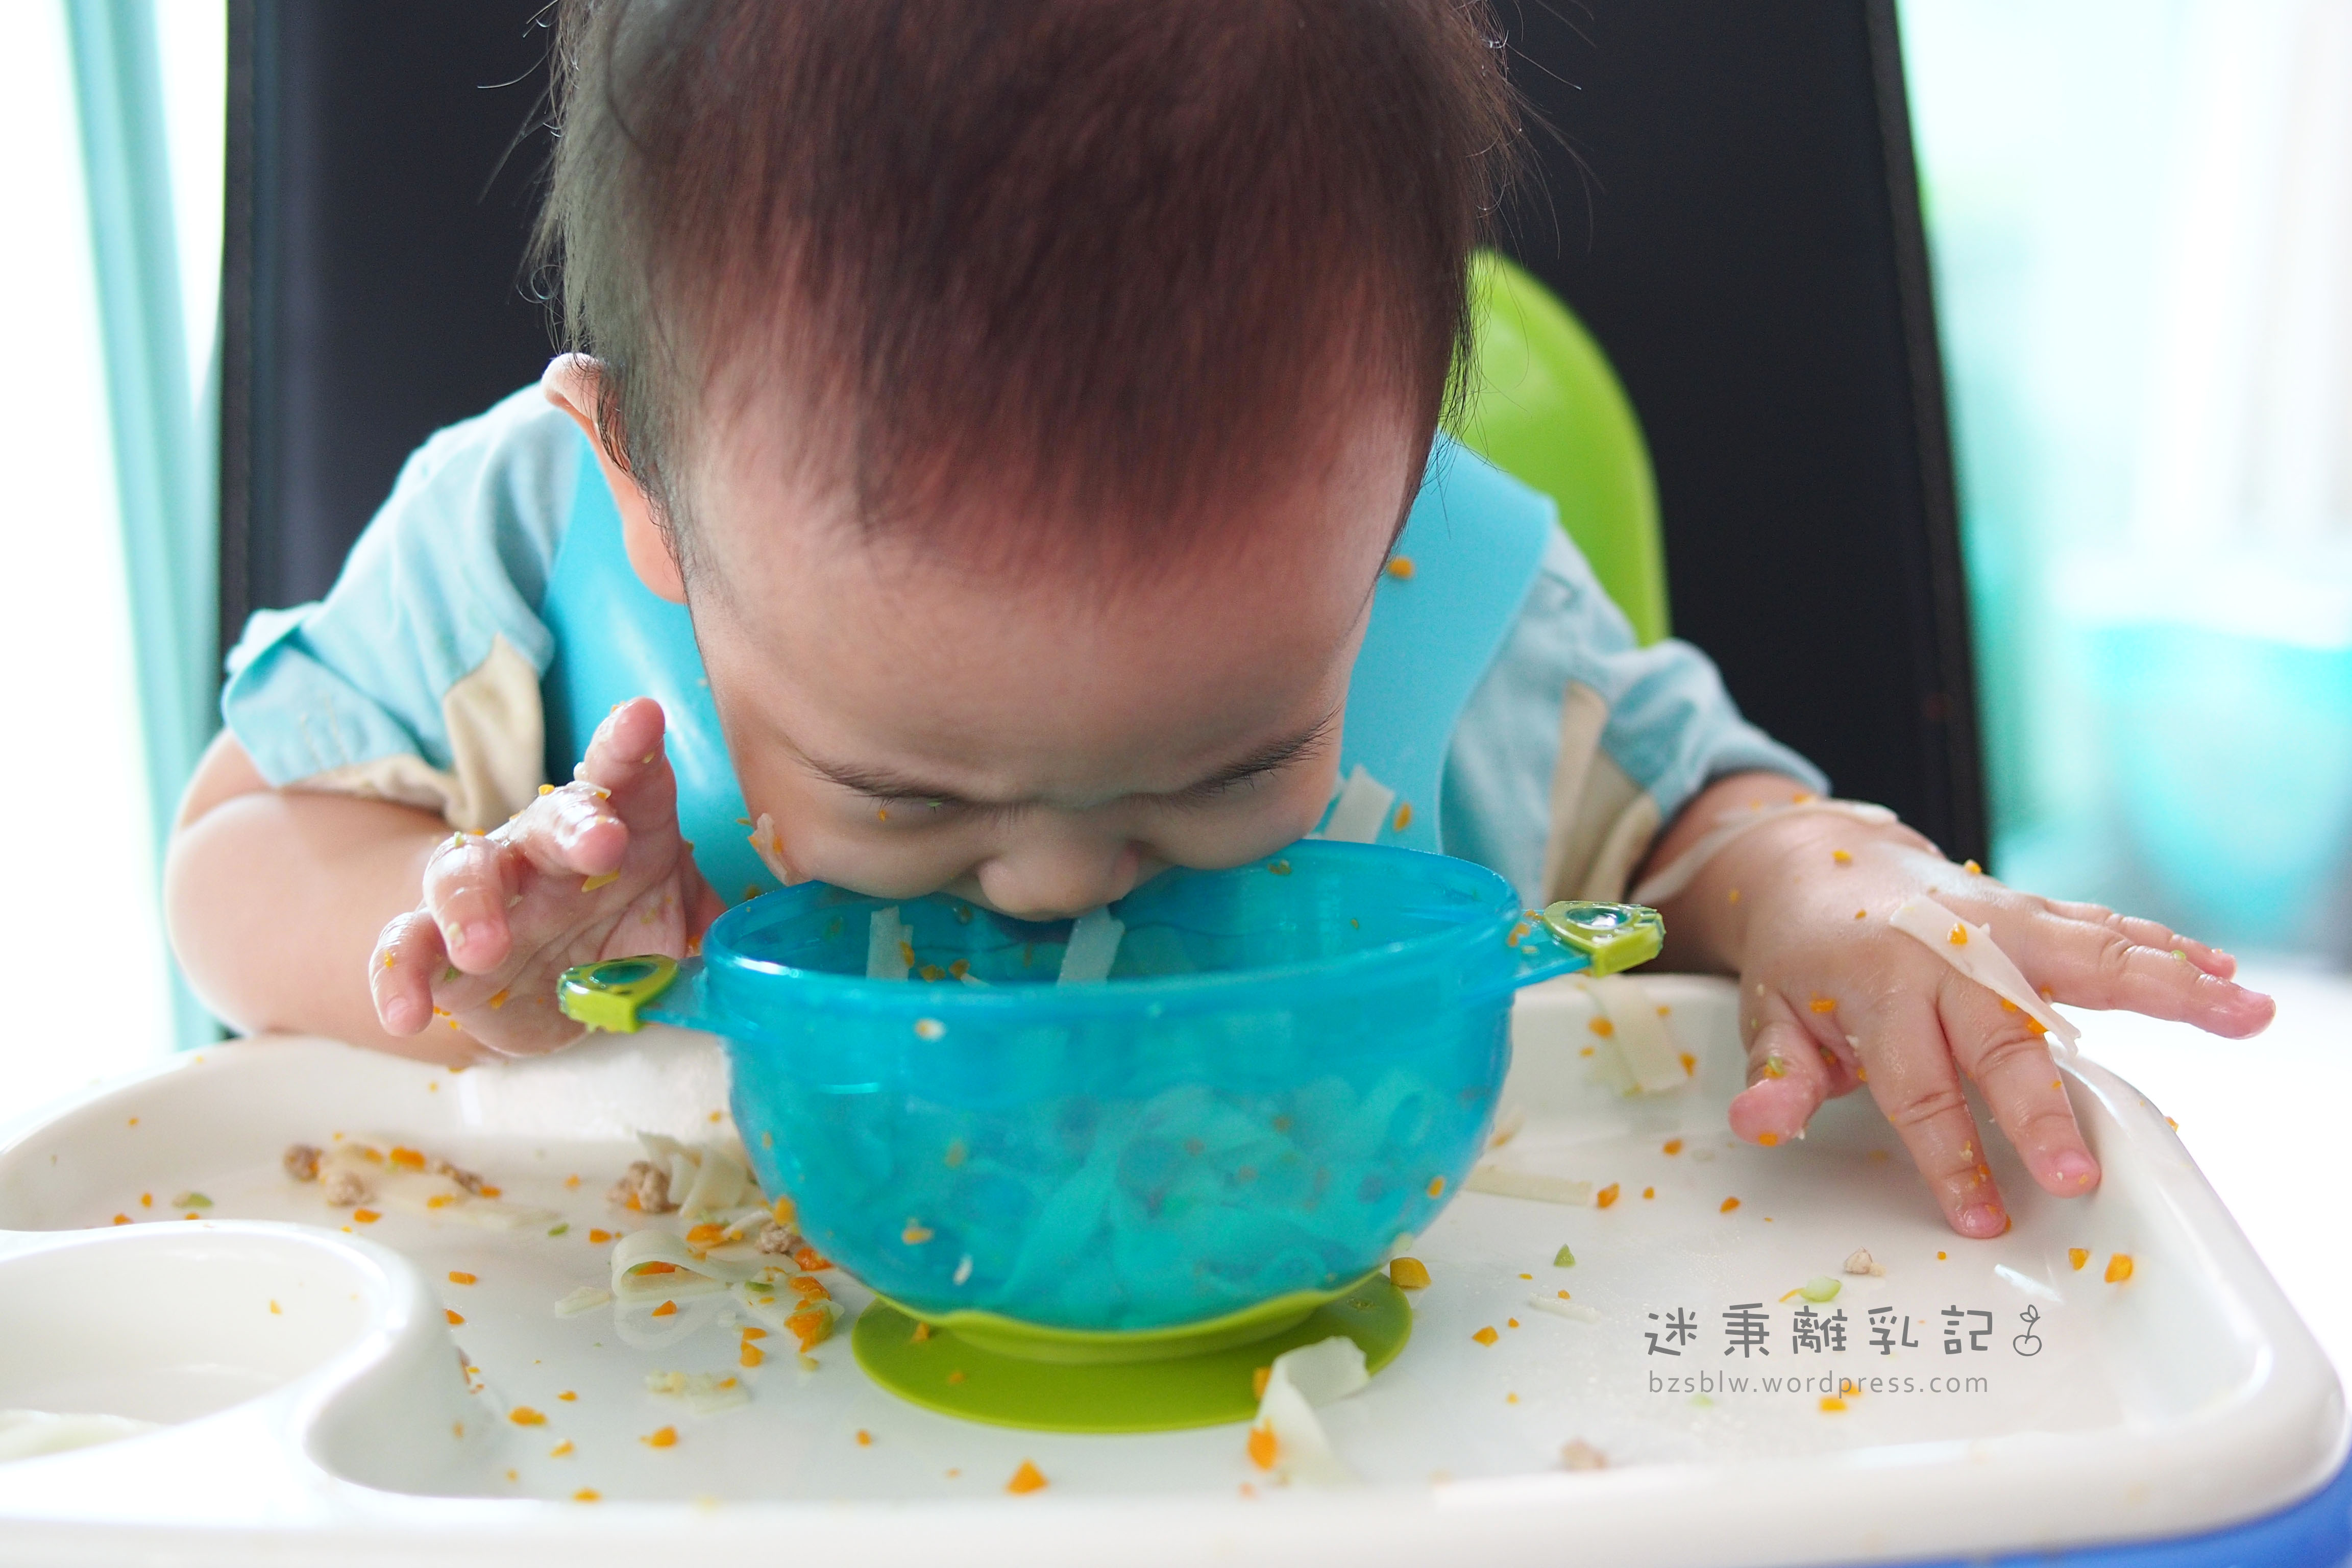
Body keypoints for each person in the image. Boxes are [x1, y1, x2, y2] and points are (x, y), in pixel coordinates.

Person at [164, 0, 2270, 1241]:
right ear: (648, 491)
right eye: (907, 791)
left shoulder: (1456, 602)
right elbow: (231, 868)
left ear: (1395, 479)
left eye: (1222, 768)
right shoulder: (517, 562)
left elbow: (1699, 833)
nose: (1064, 874)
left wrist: (1822, 885)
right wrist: (472, 960)